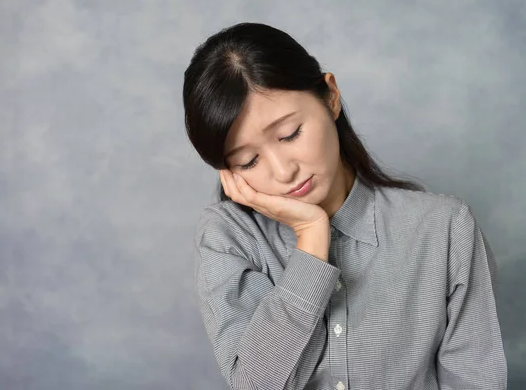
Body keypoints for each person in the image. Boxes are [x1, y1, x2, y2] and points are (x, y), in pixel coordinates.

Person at [182, 22, 506, 390]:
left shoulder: (445, 229)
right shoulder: (228, 237)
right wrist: (311, 238)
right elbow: (256, 384)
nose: (284, 171)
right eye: (248, 161)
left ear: (331, 96)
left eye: (290, 134)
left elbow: (475, 380)